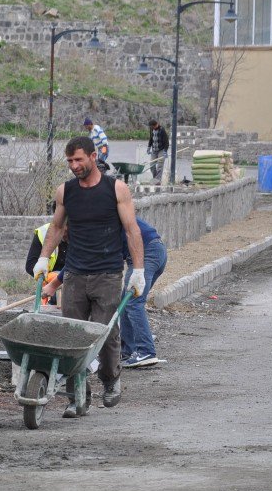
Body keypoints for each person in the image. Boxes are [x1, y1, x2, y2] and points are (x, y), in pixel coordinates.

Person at [33, 136, 145, 414]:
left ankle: (110, 379)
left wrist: (138, 270)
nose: (74, 165)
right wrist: (44, 257)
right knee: (72, 335)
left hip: (107, 272)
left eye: (79, 159)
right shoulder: (66, 192)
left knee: (105, 333)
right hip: (75, 273)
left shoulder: (116, 189)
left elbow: (132, 230)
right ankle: (77, 397)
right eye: (70, 161)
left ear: (93, 157)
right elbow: (57, 227)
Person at [120, 217, 167, 368]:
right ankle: (129, 350)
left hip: (146, 253)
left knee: (133, 302)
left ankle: (146, 351)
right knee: (125, 301)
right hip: (155, 250)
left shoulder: (103, 217)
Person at [25, 222, 67, 305]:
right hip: (52, 286)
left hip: (73, 280)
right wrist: (51, 278)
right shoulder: (43, 233)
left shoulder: (80, 232)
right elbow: (30, 265)